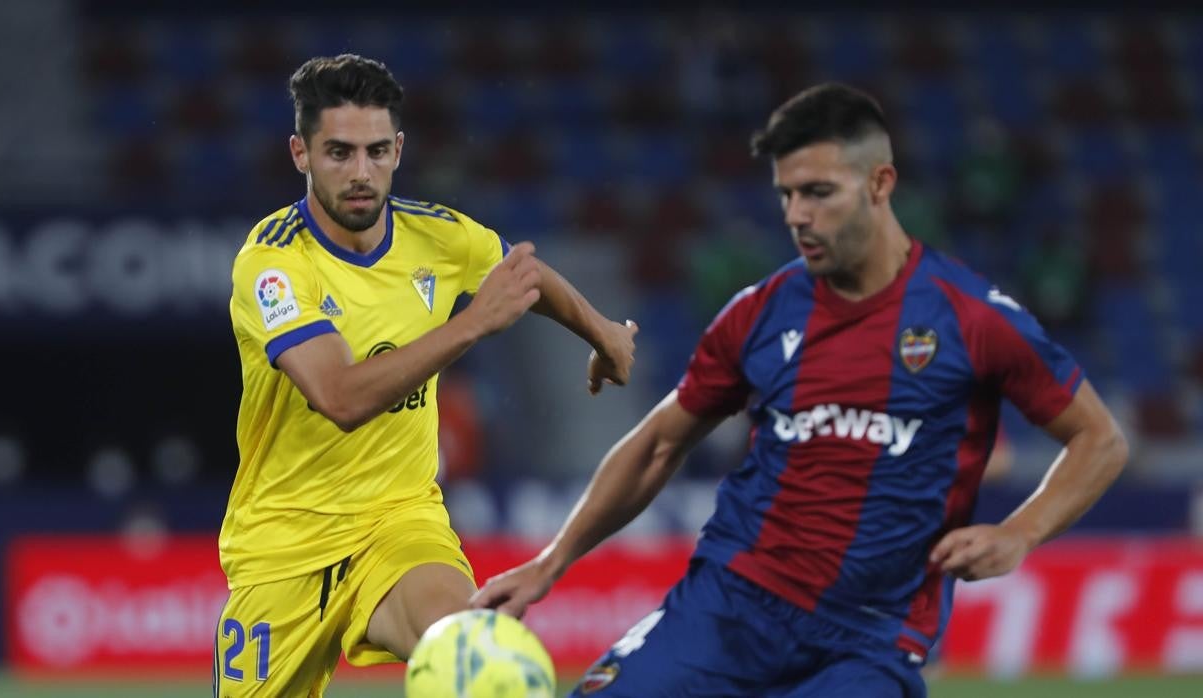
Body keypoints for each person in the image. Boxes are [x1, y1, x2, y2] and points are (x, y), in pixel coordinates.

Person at [472, 83, 1128, 697]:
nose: (798, 216)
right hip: (728, 608)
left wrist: (1020, 532)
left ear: (881, 183)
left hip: (870, 639)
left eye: (818, 193)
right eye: (787, 195)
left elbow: (1099, 440)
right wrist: (551, 563)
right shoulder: (761, 312)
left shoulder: (971, 317)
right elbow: (657, 445)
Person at [213, 54, 637, 697]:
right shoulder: (272, 265)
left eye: (377, 151)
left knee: (471, 649)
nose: (361, 173)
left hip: (399, 522)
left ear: (400, 149)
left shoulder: (437, 237)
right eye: (339, 153)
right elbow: (339, 396)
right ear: (300, 153)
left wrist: (603, 334)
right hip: (282, 544)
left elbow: (523, 275)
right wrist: (470, 326)